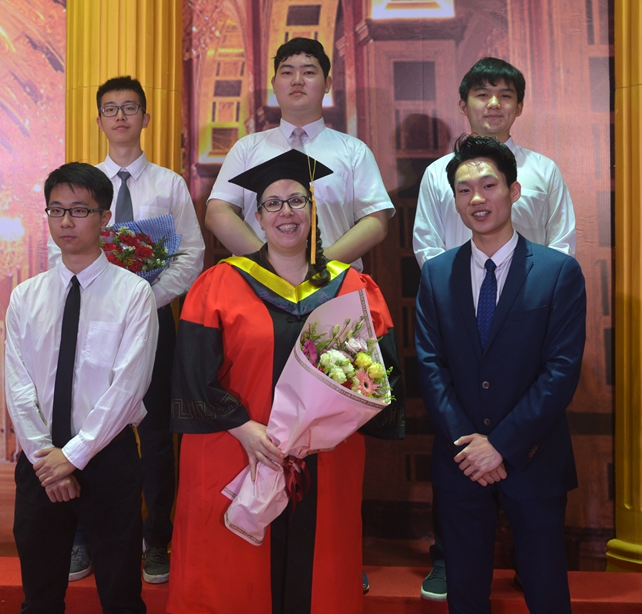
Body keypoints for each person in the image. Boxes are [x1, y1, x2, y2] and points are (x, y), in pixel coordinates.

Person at [167, 149, 405, 614]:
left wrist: (327, 424)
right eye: (272, 203)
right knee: (234, 576)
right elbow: (191, 375)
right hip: (238, 451)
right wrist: (243, 427)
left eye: (297, 201)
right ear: (257, 217)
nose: (286, 212)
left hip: (323, 456)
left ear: (313, 211)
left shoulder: (351, 286)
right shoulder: (220, 284)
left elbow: (382, 378)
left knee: (319, 572)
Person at [412, 57, 577, 601]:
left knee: (546, 592)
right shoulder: (438, 276)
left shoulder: (556, 273)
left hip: (533, 451)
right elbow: (430, 366)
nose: (477, 199)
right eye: (466, 191)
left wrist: (500, 445)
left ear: (513, 191)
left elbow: (560, 370)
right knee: (465, 595)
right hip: (459, 454)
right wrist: (471, 445)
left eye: (490, 186)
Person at [50, 76, 205, 584]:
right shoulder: (81, 184)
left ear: (145, 118)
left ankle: (156, 539)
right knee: (84, 425)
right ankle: (81, 537)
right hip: (89, 323)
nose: (120, 116)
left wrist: (140, 303)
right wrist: (105, 304)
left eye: (130, 107)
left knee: (156, 435)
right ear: (98, 120)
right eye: (111, 109)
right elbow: (58, 252)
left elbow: (192, 255)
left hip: (154, 321)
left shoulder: (169, 185)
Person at [5, 162, 159, 613]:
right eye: (56, 210)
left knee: (120, 596)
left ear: (104, 218)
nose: (66, 222)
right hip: (39, 462)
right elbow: (18, 383)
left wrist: (73, 456)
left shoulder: (133, 293)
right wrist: (46, 458)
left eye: (78, 210)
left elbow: (128, 387)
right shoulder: (26, 296)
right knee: (39, 597)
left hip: (107, 457)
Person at [205, 37, 394, 273]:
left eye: (308, 72)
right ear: (274, 84)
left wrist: (317, 268)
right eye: (287, 73)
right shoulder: (246, 148)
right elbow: (218, 212)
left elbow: (375, 221)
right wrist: (270, 266)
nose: (297, 80)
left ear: (327, 83)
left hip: (333, 282)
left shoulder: (354, 151)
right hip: (257, 283)